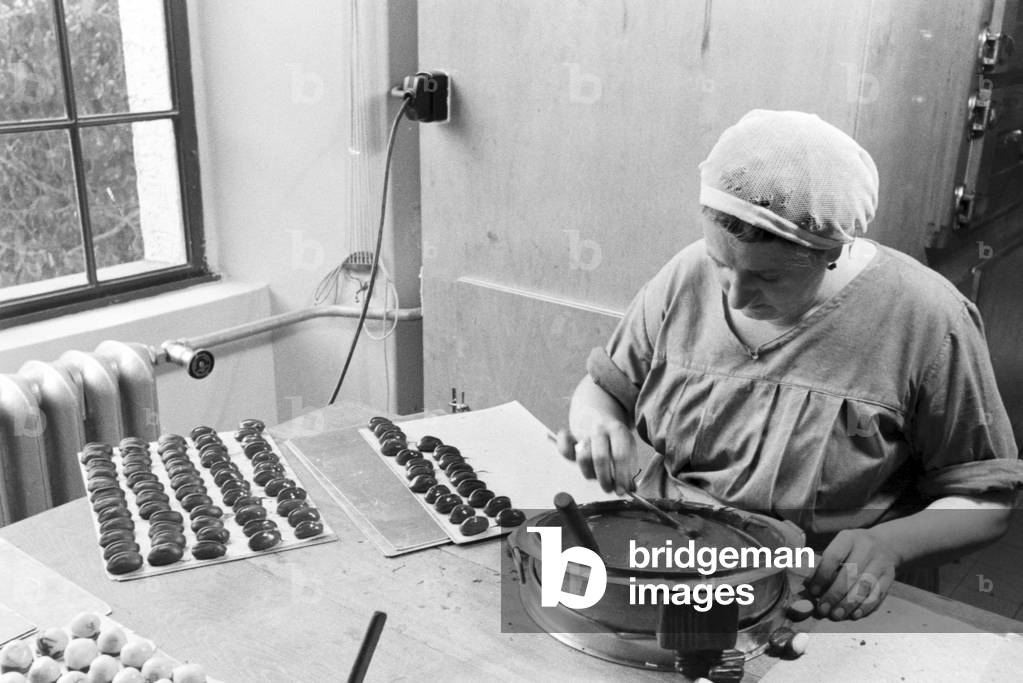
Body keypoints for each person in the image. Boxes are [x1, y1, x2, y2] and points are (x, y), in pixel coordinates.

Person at [557, 110, 1023, 621]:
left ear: (832, 253)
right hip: (672, 563)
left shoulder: (927, 318)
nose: (735, 297)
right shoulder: (685, 275)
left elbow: (988, 501)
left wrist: (890, 545)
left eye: (770, 278)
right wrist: (598, 424)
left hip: (821, 589)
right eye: (721, 263)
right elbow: (604, 390)